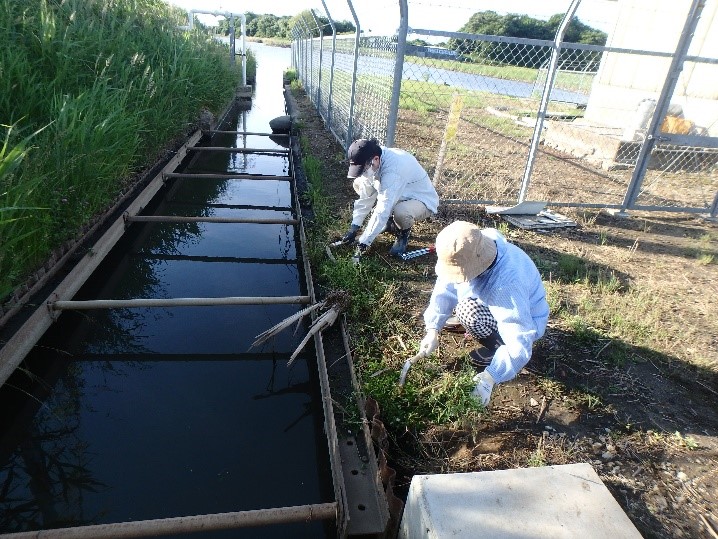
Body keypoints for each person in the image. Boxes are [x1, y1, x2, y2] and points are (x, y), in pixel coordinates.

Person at [418, 221, 549, 407]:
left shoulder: (507, 285)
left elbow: (519, 341)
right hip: (492, 302)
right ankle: (480, 328)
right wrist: (433, 328)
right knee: (456, 314)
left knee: (467, 312)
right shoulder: (476, 244)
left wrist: (491, 376)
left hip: (525, 320)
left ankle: (499, 350)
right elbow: (445, 286)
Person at [338, 138, 439, 258]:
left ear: (375, 159)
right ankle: (389, 223)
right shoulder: (373, 162)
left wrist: (364, 243)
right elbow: (366, 197)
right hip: (399, 194)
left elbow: (382, 209)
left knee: (401, 212)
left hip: (421, 200)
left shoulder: (394, 170)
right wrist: (354, 227)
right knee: (359, 183)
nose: (364, 173)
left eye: (364, 169)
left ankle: (403, 234)